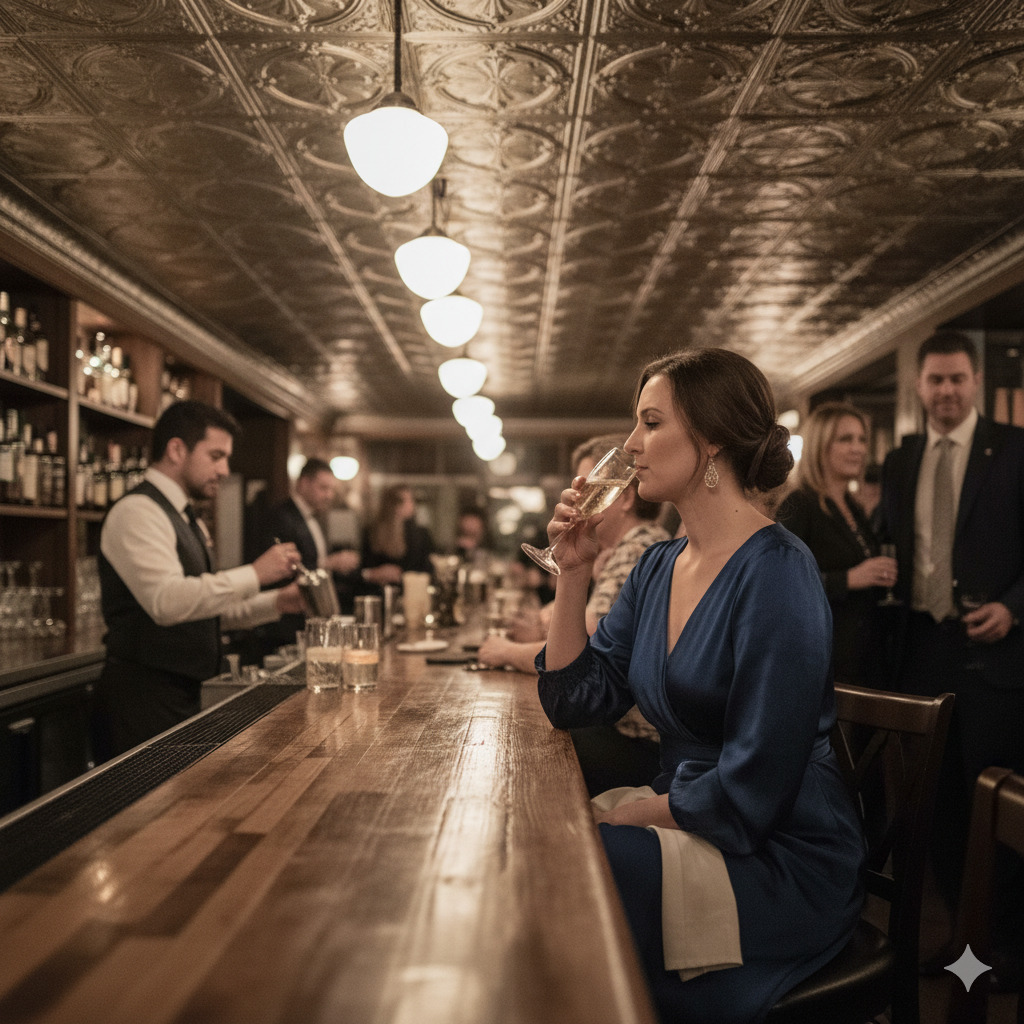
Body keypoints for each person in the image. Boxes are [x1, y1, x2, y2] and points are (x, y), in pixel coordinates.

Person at [536, 348, 864, 1023]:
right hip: (690, 817)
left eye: (651, 422)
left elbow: (758, 783)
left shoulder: (779, 570)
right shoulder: (657, 566)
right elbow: (574, 700)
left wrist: (637, 814)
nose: (631, 444)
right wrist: (572, 573)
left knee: (578, 868)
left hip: (779, 850)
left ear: (711, 438)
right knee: (545, 846)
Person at [878, 329, 1024, 988]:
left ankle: (1009, 948)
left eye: (957, 379)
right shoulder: (901, 459)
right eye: (935, 380)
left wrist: (1013, 608)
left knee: (996, 805)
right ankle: (963, 944)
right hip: (921, 650)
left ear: (976, 381)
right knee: (934, 806)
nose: (946, 391)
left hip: (995, 654)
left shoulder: (1014, 449)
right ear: (918, 385)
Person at [96, 401, 305, 757]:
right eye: (216, 456)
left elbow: (205, 609)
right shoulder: (137, 511)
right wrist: (255, 574)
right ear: (177, 450)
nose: (225, 470)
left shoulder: (187, 518)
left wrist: (277, 602)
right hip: (142, 698)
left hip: (184, 694)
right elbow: (167, 602)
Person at [776, 402, 896, 687]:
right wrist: (849, 579)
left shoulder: (853, 506)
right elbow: (780, 583)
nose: (858, 448)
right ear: (819, 446)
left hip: (864, 654)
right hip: (825, 659)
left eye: (862, 439)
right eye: (845, 439)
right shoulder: (800, 504)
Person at [258, 457, 361, 643]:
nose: (329, 495)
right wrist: (328, 563)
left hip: (308, 615)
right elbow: (281, 570)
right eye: (324, 488)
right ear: (304, 483)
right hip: (285, 621)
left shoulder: (315, 517)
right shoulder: (281, 516)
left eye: (331, 489)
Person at [361, 485, 435, 586]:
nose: (413, 505)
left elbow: (427, 567)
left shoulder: (420, 534)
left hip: (411, 588)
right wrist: (378, 573)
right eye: (409, 500)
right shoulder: (372, 532)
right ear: (395, 505)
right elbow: (364, 567)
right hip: (379, 588)